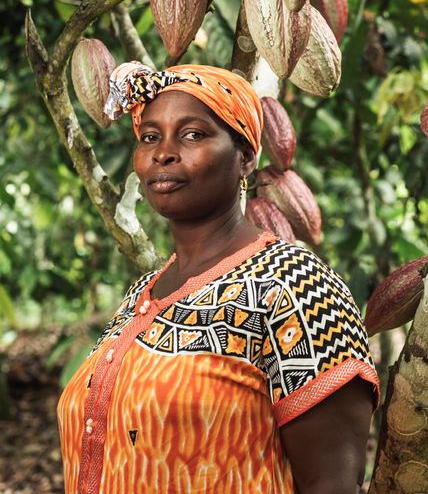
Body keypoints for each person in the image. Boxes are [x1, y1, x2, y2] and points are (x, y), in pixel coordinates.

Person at [57, 63, 379, 493]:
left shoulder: (294, 284)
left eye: (192, 134)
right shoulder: (143, 293)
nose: (164, 153)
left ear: (245, 156)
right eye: (150, 137)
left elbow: (332, 484)